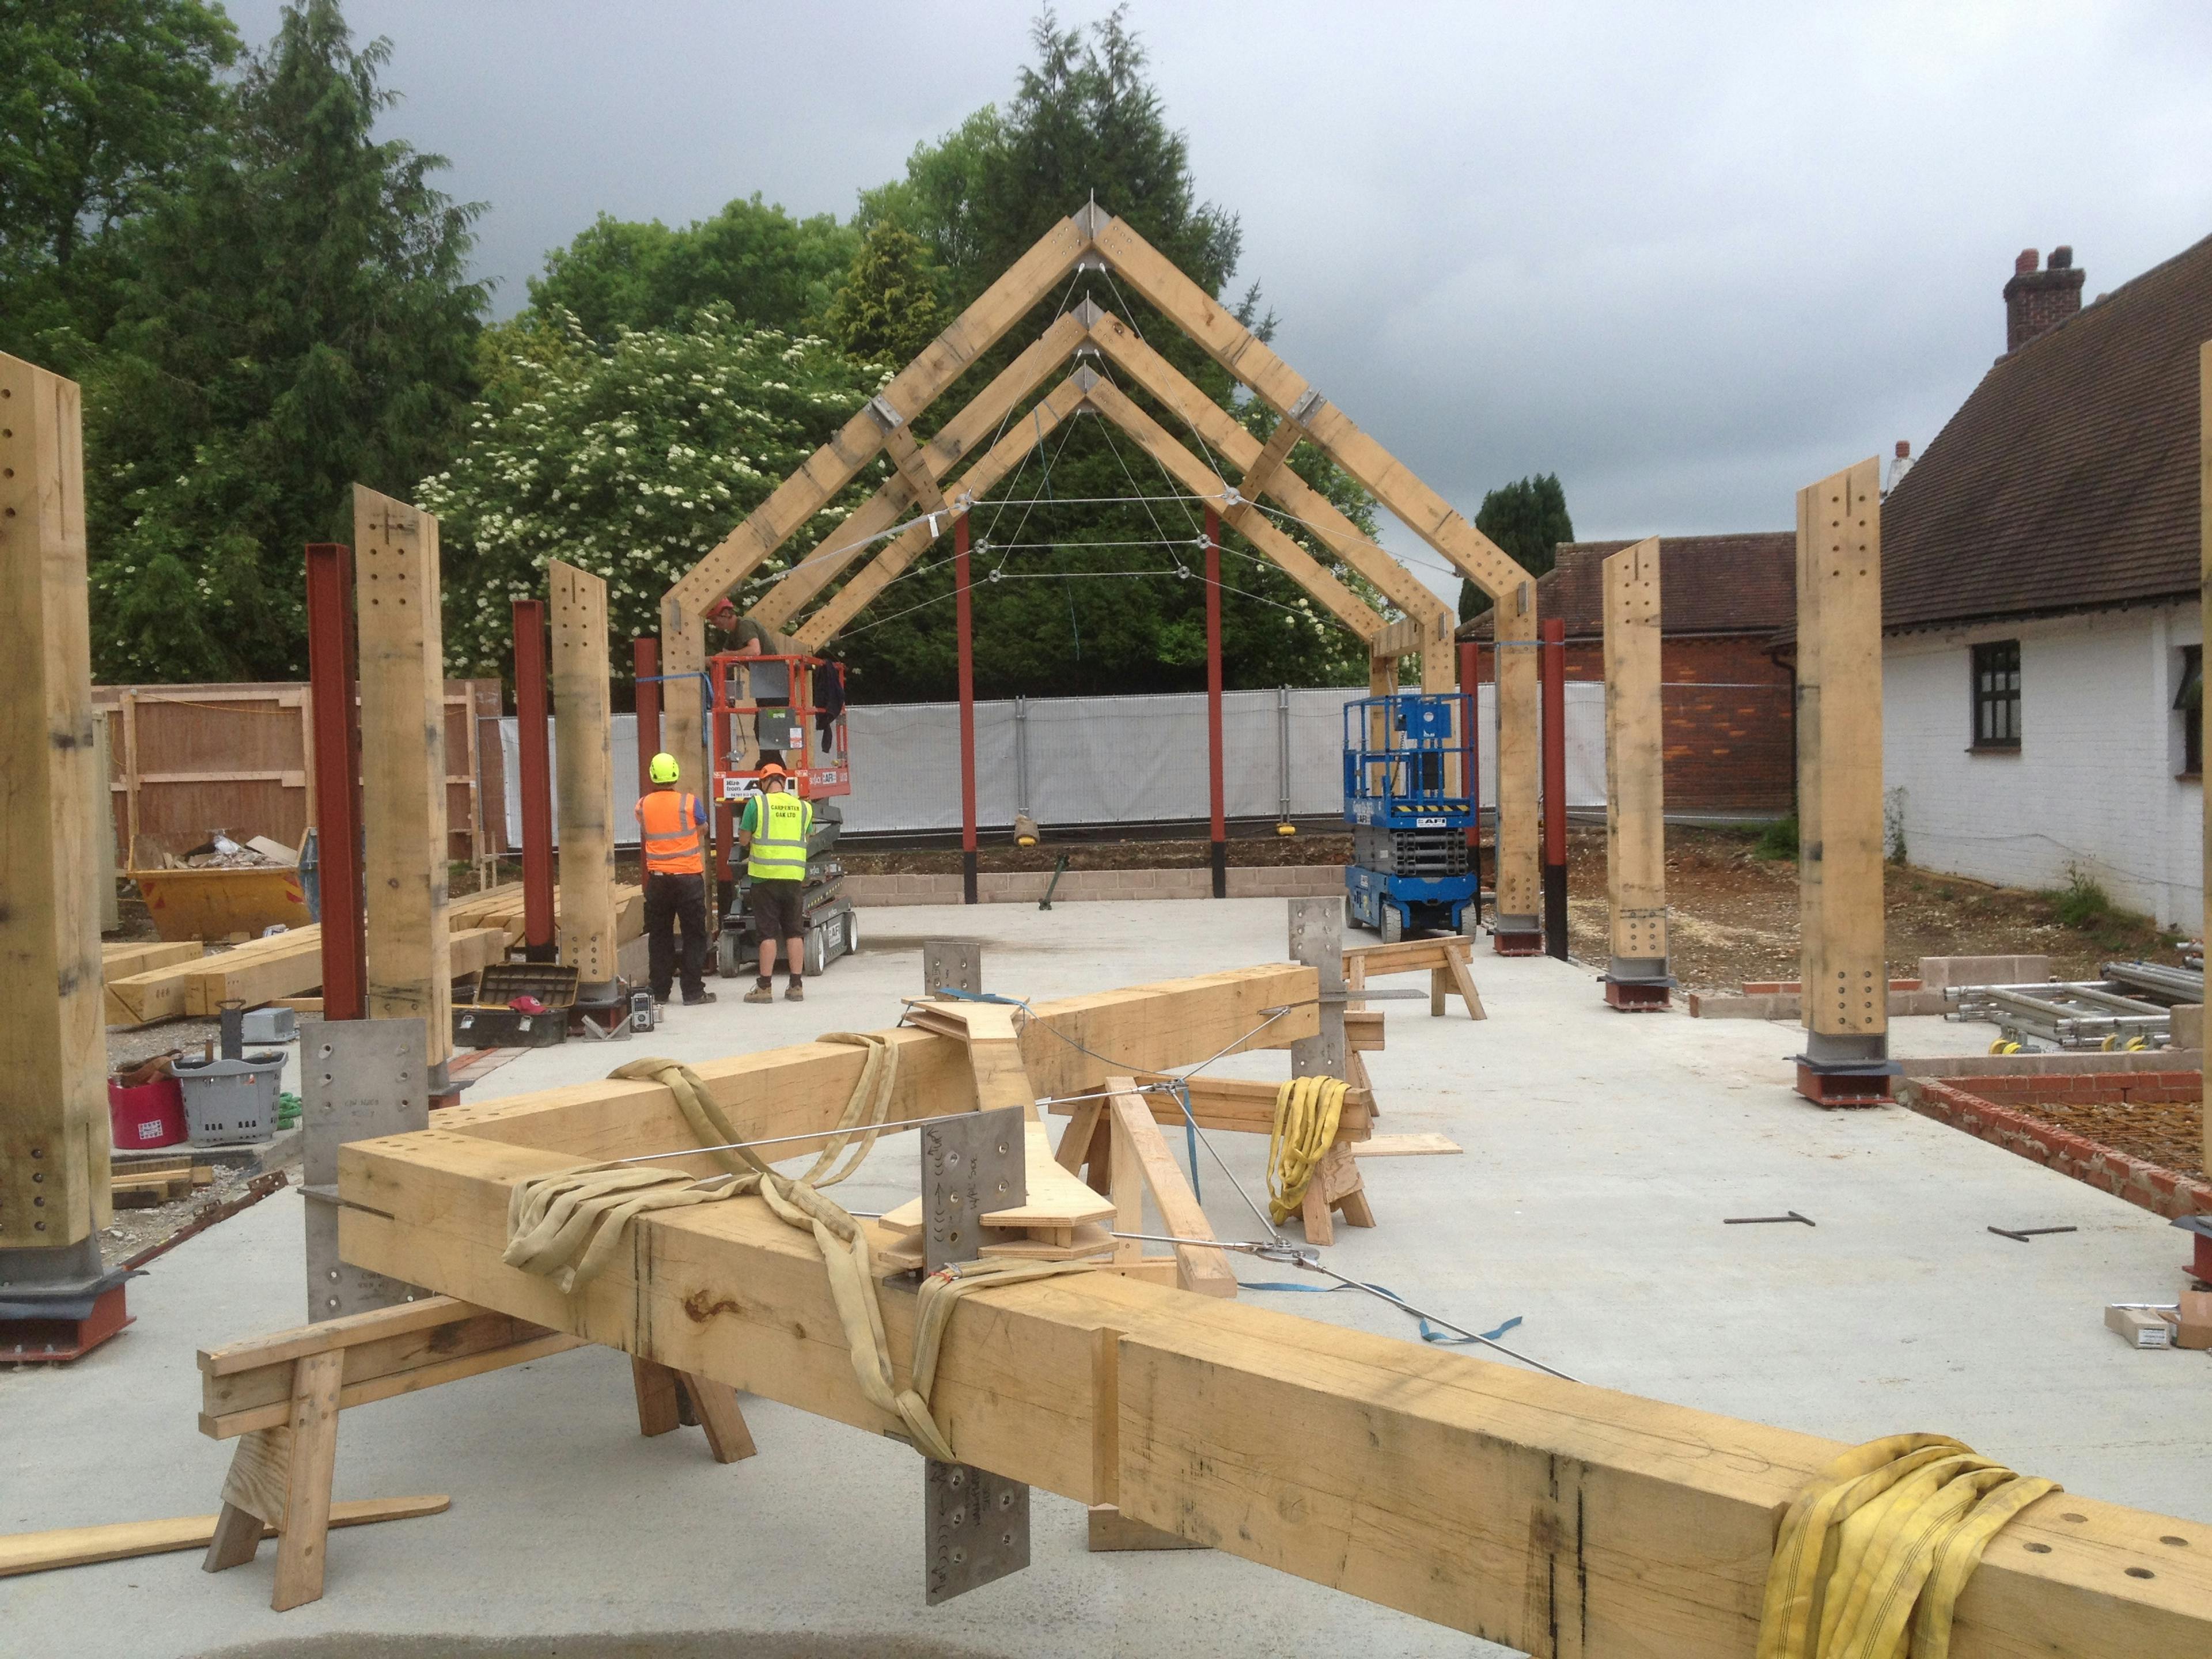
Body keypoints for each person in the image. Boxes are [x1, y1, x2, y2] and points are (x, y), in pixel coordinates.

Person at [634, 752, 715, 1006]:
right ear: (676, 774)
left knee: (659, 936)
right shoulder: (690, 803)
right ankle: (693, 992)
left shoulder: (642, 805)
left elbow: (647, 829)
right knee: (694, 935)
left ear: (652, 775)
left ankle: (659, 991)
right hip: (688, 879)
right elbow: (703, 828)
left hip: (658, 881)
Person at [738, 760, 812, 1003]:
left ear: (763, 783)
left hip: (765, 878)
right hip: (793, 878)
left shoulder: (757, 804)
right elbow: (808, 836)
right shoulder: (803, 807)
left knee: (768, 933)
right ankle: (796, 986)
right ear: (784, 782)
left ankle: (765, 987)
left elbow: (744, 840)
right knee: (794, 932)